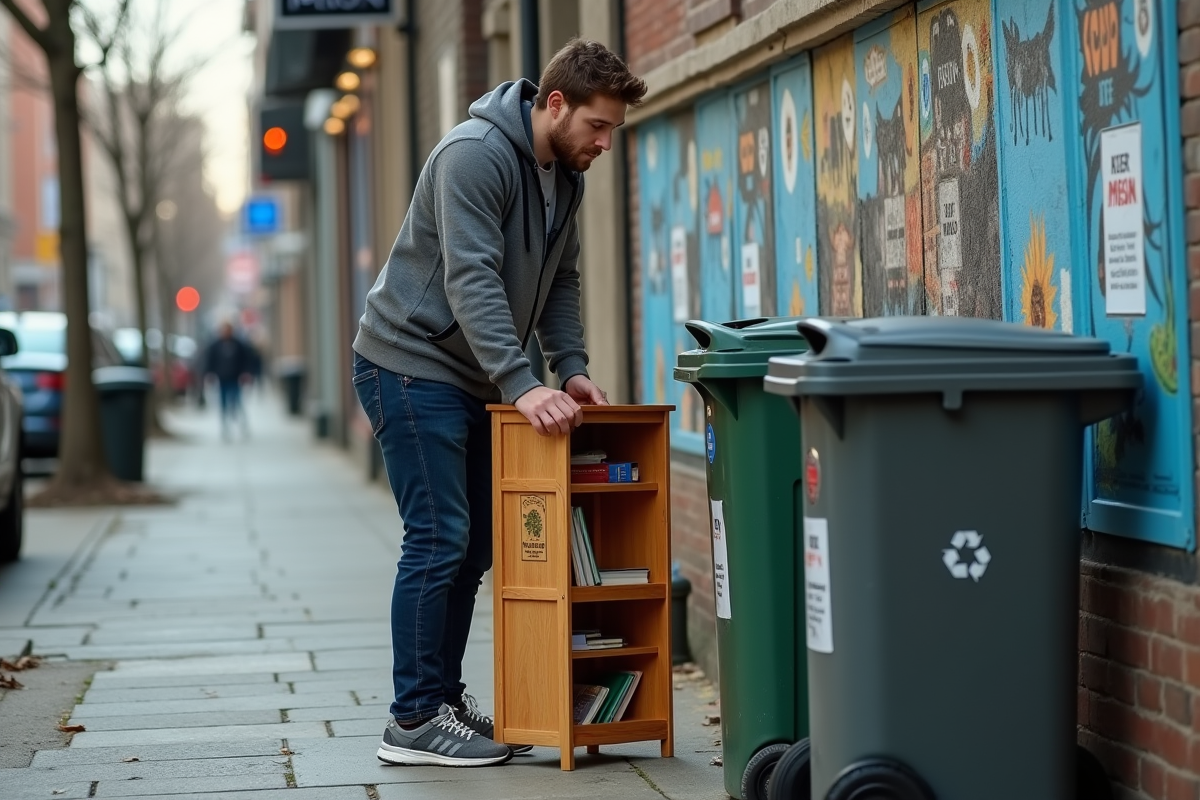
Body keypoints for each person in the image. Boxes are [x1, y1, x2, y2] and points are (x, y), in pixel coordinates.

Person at [351, 38, 646, 768]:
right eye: (597, 127)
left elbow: (563, 282)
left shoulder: (564, 177)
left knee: (476, 544)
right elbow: (472, 280)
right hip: (410, 364)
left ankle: (442, 701)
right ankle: (412, 718)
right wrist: (524, 383)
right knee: (439, 536)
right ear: (555, 104)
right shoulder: (473, 156)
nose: (604, 143)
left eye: (611, 130)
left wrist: (570, 368)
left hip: (469, 376)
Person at [203, 321, 257, 440]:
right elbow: (209, 361)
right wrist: (209, 375)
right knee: (223, 404)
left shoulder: (239, 345)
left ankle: (243, 426)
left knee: (237, 403)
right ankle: (225, 428)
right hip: (222, 379)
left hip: (235, 379)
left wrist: (246, 373)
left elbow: (247, 360)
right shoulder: (215, 345)